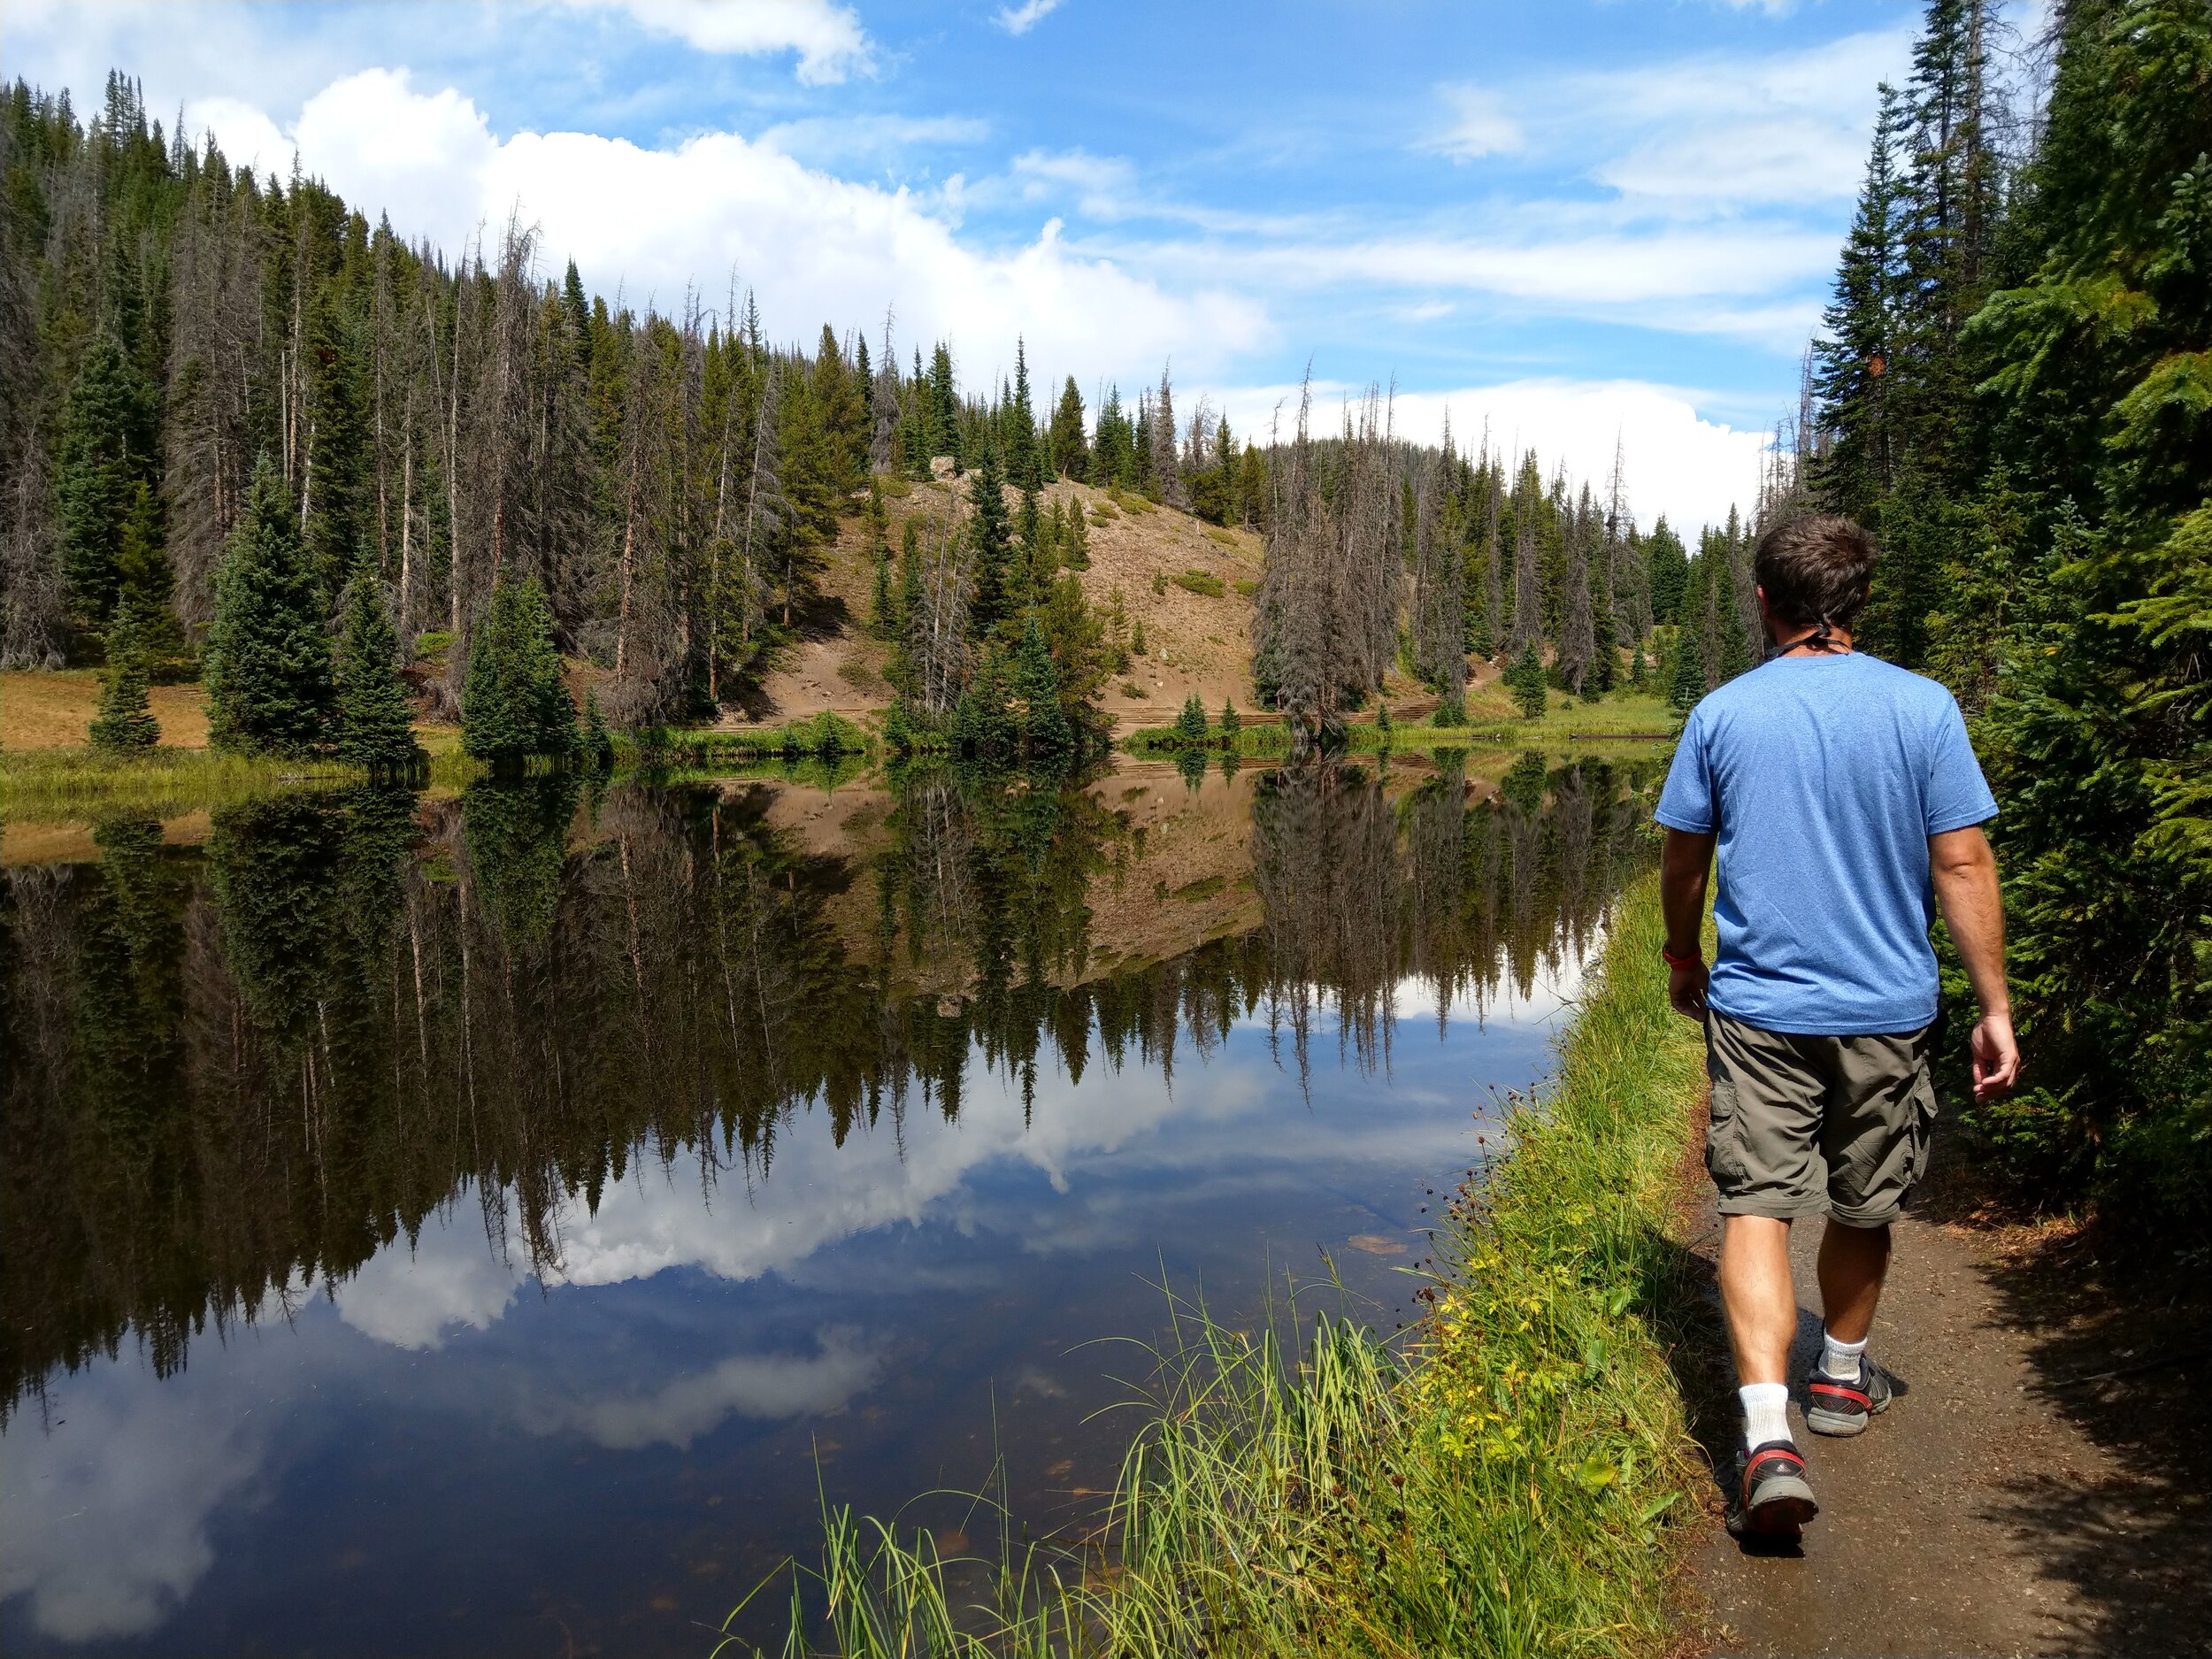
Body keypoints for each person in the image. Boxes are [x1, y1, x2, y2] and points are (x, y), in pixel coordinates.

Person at [1654, 515, 2019, 1539]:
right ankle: (1842, 1381)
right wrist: (1994, 1007)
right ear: (1858, 601)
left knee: (1755, 1205)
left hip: (1760, 1008)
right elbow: (1961, 861)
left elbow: (1683, 861)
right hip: (1886, 1009)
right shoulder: (1923, 707)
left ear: (1763, 601)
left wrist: (1682, 957)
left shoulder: (1722, 714)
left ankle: (1767, 1440)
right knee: (1865, 1199)